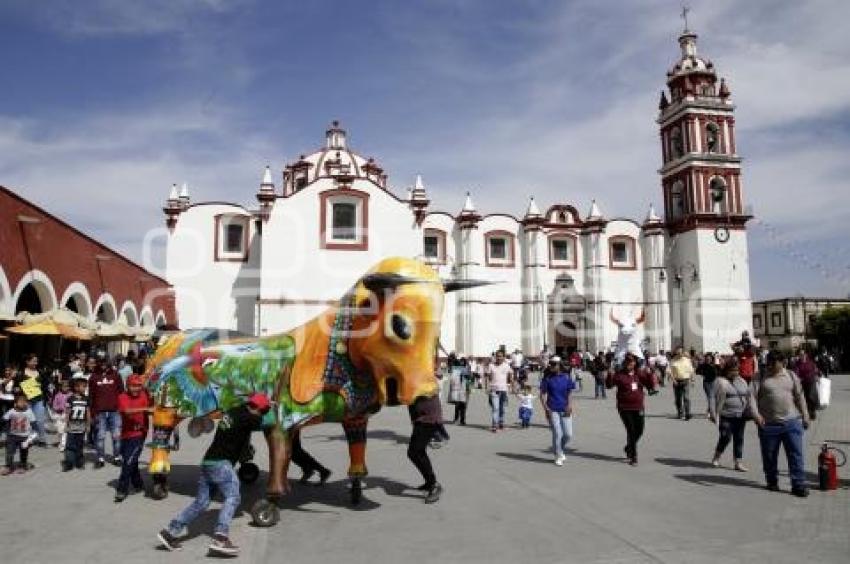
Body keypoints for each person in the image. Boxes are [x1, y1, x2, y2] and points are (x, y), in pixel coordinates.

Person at [157, 394, 271, 555]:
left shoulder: (234, 411)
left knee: (201, 503)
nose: (262, 414)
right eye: (263, 411)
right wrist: (275, 409)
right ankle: (220, 538)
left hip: (208, 462)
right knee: (233, 497)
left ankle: (169, 532)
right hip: (221, 464)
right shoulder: (249, 419)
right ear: (259, 409)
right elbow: (269, 422)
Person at [751, 351, 811, 497]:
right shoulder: (760, 376)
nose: (770, 366)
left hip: (791, 423)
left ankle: (798, 485)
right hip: (768, 424)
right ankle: (772, 481)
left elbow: (799, 396)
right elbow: (751, 397)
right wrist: (756, 415)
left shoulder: (791, 375)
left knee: (796, 455)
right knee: (769, 456)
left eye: (773, 363)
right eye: (768, 363)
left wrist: (805, 414)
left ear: (782, 362)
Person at [709, 361, 761, 470]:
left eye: (737, 370)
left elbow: (749, 395)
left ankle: (738, 462)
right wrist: (713, 412)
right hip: (725, 415)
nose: (735, 372)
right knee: (725, 436)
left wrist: (754, 411)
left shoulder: (741, 381)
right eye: (733, 370)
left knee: (739, 438)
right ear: (727, 371)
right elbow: (712, 397)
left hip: (740, 415)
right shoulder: (720, 381)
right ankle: (717, 456)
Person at [606, 353, 656, 466]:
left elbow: (650, 385)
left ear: (635, 363)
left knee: (640, 430)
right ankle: (633, 456)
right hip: (624, 408)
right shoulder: (620, 375)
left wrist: (650, 374)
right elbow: (609, 385)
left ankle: (628, 447)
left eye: (632, 361)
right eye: (627, 362)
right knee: (631, 431)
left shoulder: (639, 374)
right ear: (624, 363)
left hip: (638, 406)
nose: (630, 363)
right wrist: (609, 374)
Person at [115, 374, 152, 502]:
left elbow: (151, 408)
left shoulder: (144, 395)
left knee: (128, 462)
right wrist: (146, 408)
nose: (136, 389)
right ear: (127, 386)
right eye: (133, 386)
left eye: (138, 386)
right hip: (125, 434)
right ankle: (138, 484)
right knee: (131, 461)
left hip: (139, 434)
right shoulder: (122, 397)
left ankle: (121, 489)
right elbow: (127, 411)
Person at [89, 352, 124, 468]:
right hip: (100, 411)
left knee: (117, 435)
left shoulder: (116, 375)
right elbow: (91, 396)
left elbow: (121, 393)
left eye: (104, 361)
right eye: (100, 361)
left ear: (108, 361)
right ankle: (100, 458)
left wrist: (122, 409)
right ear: (97, 363)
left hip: (115, 410)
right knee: (100, 436)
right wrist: (92, 413)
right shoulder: (93, 377)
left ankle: (117, 457)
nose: (103, 363)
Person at [407, 394, 443, 504]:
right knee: (416, 451)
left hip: (428, 418)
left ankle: (434, 484)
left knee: (415, 451)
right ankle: (429, 482)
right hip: (423, 417)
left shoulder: (422, 377)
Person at [539, 358, 576, 466]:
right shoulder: (547, 379)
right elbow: (542, 395)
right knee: (557, 433)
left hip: (564, 409)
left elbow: (569, 392)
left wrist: (569, 405)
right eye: (550, 364)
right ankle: (558, 455)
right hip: (552, 409)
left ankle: (559, 449)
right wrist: (546, 409)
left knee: (568, 434)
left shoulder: (566, 377)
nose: (551, 366)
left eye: (554, 364)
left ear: (559, 365)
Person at [17, 354, 48, 446]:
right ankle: (26, 439)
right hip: (26, 400)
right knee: (26, 420)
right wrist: (17, 389)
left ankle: (41, 439)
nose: (36, 363)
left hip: (39, 399)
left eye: (36, 361)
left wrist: (40, 386)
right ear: (27, 361)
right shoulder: (21, 373)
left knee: (39, 420)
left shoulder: (41, 372)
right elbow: (16, 385)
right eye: (34, 361)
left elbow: (46, 384)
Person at [2, 393, 36, 474]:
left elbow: (34, 423)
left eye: (24, 402)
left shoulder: (29, 412)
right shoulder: (11, 411)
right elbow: (4, 419)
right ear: (15, 403)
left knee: (24, 451)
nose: (23, 403)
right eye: (20, 402)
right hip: (12, 435)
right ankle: (8, 467)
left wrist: (32, 436)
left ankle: (23, 465)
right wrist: (5, 431)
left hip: (25, 436)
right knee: (9, 452)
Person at [62, 375, 90, 471]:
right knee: (70, 445)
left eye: (84, 386)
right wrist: (66, 424)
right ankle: (69, 463)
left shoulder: (87, 399)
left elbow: (88, 412)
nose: (83, 388)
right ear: (76, 387)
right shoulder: (70, 399)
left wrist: (88, 425)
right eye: (81, 386)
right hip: (72, 426)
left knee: (80, 445)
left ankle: (79, 462)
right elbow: (68, 412)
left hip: (82, 426)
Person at [487, 350, 514, 432]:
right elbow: (488, 377)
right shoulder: (491, 365)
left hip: (504, 390)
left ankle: (501, 424)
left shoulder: (507, 366)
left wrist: (512, 386)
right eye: (497, 356)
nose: (499, 358)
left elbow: (510, 375)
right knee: (495, 408)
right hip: (494, 390)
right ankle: (494, 425)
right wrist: (487, 388)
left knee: (503, 408)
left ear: (503, 357)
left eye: (501, 356)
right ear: (495, 357)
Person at [793, 350, 820, 421]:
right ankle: (808, 413)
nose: (801, 356)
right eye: (800, 354)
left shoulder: (810, 362)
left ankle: (813, 411)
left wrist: (817, 375)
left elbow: (815, 369)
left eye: (803, 354)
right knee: (805, 398)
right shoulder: (797, 363)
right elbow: (796, 372)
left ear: (805, 354)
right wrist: (798, 378)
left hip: (811, 382)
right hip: (802, 383)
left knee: (811, 397)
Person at [669, 347, 695, 420]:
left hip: (685, 381)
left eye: (680, 352)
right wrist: (673, 380)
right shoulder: (673, 361)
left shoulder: (687, 360)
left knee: (686, 398)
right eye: (678, 352)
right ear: (676, 352)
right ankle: (680, 413)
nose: (679, 354)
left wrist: (692, 380)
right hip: (676, 381)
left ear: (683, 353)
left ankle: (687, 413)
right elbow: (669, 371)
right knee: (678, 399)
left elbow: (691, 371)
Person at [447, 354, 469, 425]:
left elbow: (468, 377)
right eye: (460, 361)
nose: (462, 363)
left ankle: (462, 420)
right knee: (457, 405)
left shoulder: (465, 369)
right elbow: (450, 369)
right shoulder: (455, 369)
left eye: (463, 361)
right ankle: (456, 419)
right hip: (457, 389)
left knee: (463, 405)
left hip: (464, 389)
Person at [51, 379, 71, 450]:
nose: (65, 388)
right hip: (58, 415)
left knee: (65, 430)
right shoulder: (57, 395)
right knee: (59, 430)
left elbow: (72, 405)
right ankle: (61, 442)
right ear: (61, 387)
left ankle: (63, 444)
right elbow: (54, 405)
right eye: (64, 387)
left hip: (66, 414)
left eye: (67, 386)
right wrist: (57, 408)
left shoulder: (70, 395)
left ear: (69, 387)